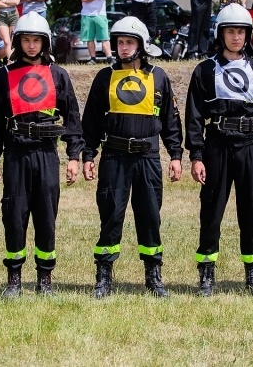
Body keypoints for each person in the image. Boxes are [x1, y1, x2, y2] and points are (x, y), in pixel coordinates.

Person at [82, 16, 183, 298]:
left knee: (150, 217)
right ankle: (104, 275)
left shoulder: (159, 76)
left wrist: (176, 154)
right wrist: (88, 154)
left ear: (142, 45)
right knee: (111, 215)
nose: (124, 47)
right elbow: (90, 121)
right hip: (114, 157)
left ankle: (153, 275)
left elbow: (171, 121)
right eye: (120, 42)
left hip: (148, 157)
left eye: (129, 42)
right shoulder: (104, 77)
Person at [0, 12, 84, 298]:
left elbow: (73, 118)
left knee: (46, 216)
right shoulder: (4, 75)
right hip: (16, 153)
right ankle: (14, 278)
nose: (31, 46)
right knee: (14, 215)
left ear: (45, 43)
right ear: (18, 42)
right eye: (26, 40)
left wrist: (74, 156)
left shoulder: (58, 75)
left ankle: (45, 278)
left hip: (47, 153)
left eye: (36, 40)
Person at [185, 3, 253, 296]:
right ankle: (206, 272)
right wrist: (196, 155)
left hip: (251, 146)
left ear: (247, 34)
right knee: (211, 211)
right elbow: (194, 116)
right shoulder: (204, 71)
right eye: (230, 32)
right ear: (221, 34)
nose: (236, 37)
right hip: (217, 145)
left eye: (241, 32)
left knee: (251, 212)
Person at [80, 0, 113, 64]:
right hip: (87, 15)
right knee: (89, 39)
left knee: (104, 37)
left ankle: (110, 58)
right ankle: (92, 58)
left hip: (100, 14)